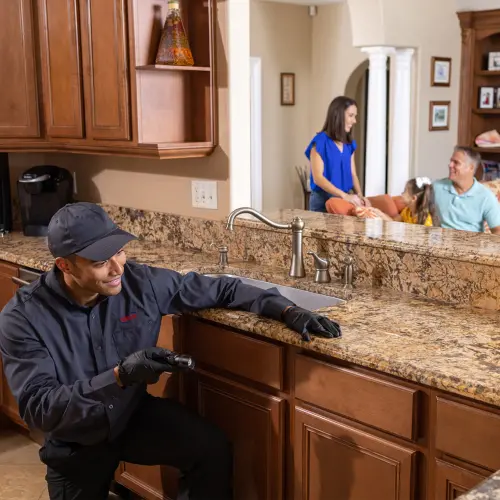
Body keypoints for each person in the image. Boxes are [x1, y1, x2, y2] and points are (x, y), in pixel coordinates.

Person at [0, 202, 341, 500]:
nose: (118, 267)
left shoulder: (140, 283)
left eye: (119, 251)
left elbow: (221, 288)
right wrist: (120, 376)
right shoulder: (22, 317)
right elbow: (39, 408)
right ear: (65, 266)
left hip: (130, 416)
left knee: (210, 448)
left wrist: (285, 309)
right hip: (74, 440)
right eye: (101, 261)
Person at [305, 96, 369, 213]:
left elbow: (353, 174)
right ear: (338, 115)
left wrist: (360, 195)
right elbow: (318, 178)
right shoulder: (319, 142)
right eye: (351, 116)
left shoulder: (349, 144)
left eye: (355, 116)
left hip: (345, 201)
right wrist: (344, 195)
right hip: (322, 202)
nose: (354, 121)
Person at [433, 146, 500, 234]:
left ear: (471, 168)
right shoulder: (436, 187)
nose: (450, 165)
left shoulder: (486, 197)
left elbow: (497, 230)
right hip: (440, 244)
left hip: (471, 245)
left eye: (456, 162)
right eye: (451, 161)